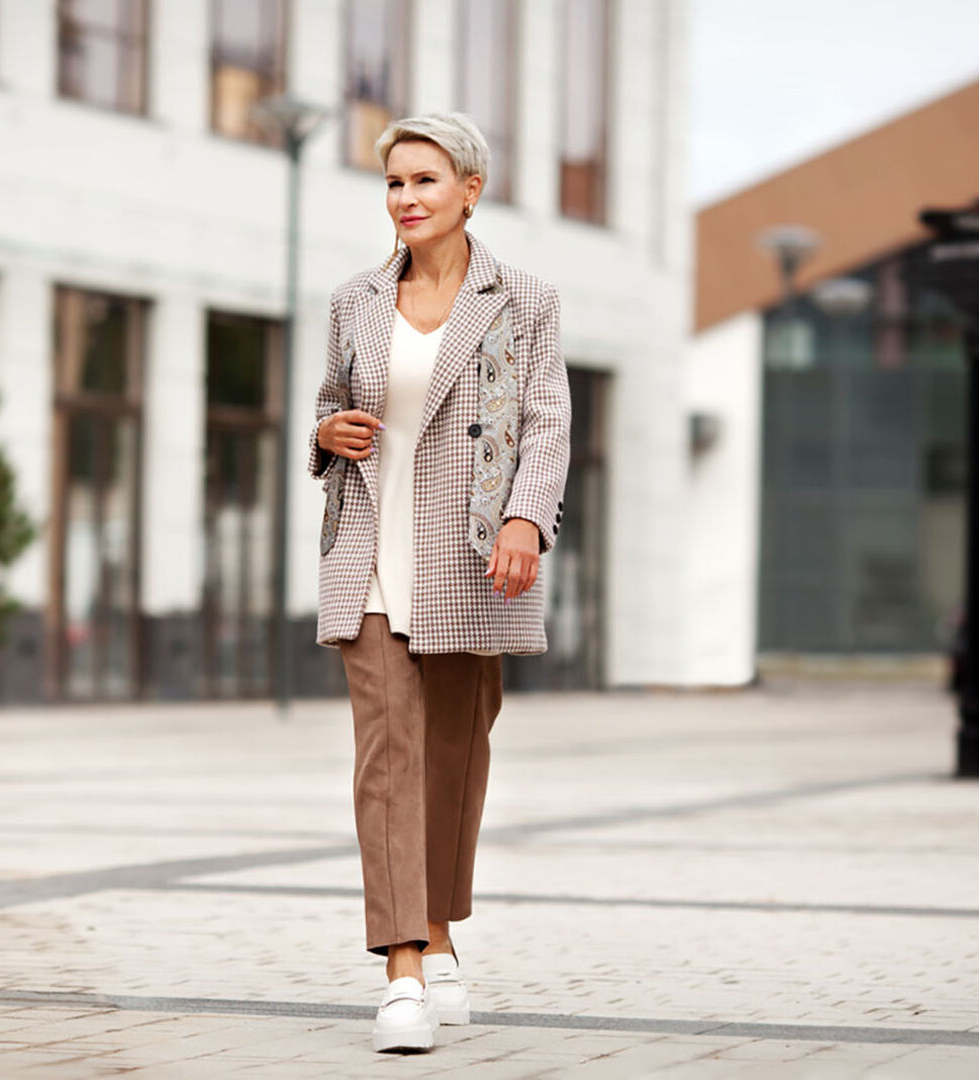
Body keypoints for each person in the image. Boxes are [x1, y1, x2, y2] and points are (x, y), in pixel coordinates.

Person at [308, 112, 572, 1053]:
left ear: (469, 189)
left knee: (455, 756)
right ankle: (403, 969)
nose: (406, 200)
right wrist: (326, 434)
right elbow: (330, 411)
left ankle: (444, 930)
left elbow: (546, 424)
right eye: (393, 184)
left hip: (468, 560)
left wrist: (523, 520)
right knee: (388, 756)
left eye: (424, 181)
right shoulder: (352, 300)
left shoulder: (524, 300)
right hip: (372, 554)